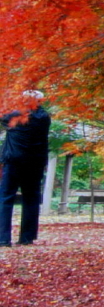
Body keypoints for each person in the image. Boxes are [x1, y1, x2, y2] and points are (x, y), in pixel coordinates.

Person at [0, 90, 51, 247]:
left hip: (14, 160)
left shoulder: (14, 115)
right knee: (31, 198)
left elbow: (3, 117)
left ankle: (3, 238)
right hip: (35, 162)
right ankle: (27, 237)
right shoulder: (45, 118)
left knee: (5, 197)